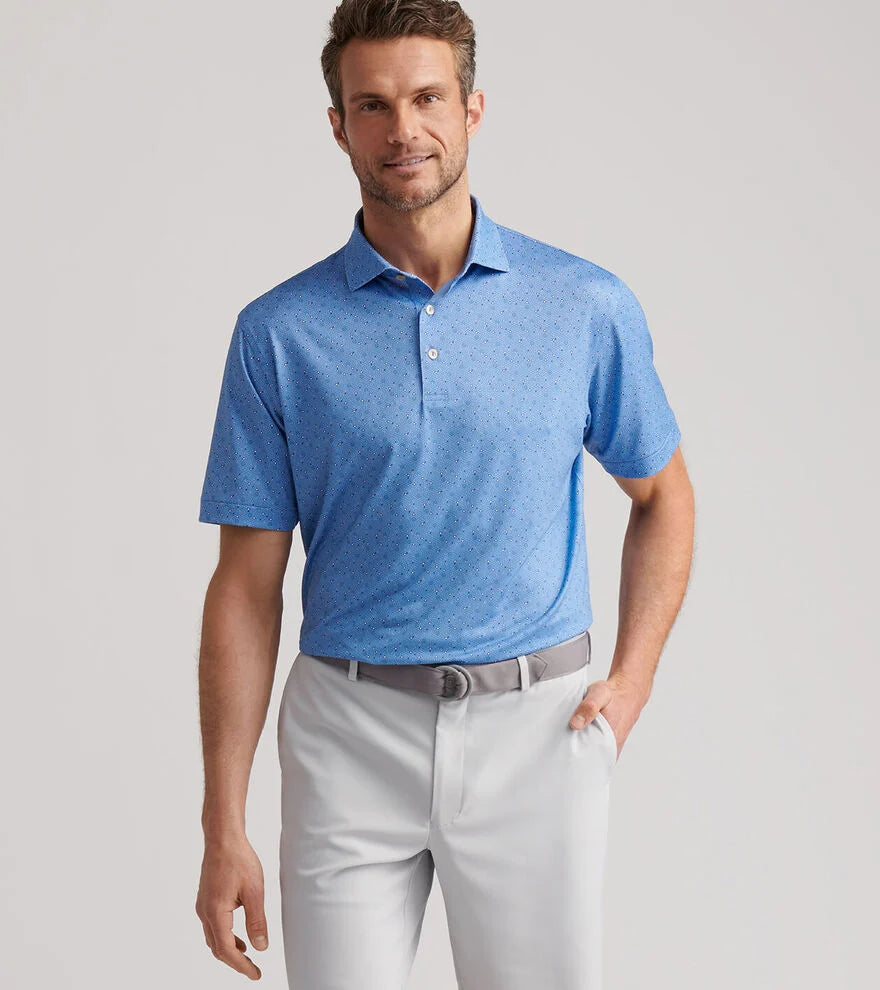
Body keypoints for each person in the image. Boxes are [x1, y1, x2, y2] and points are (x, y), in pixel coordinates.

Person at [194, 0, 695, 986]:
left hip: (536, 732)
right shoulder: (278, 334)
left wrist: (630, 683)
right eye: (372, 105)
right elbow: (245, 590)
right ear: (338, 126)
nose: (403, 129)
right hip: (347, 735)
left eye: (427, 98)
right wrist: (223, 822)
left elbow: (663, 497)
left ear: (472, 109)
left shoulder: (581, 305)